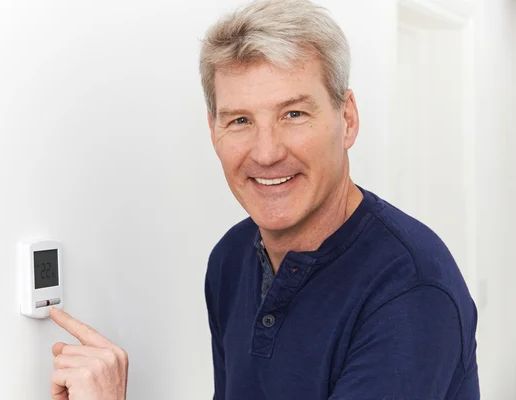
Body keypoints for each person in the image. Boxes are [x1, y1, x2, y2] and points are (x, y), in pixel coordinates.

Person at [48, 0, 480, 398]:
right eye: (239, 120)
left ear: (346, 119)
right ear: (213, 130)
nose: (267, 151)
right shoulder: (231, 260)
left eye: (293, 114)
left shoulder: (412, 291)